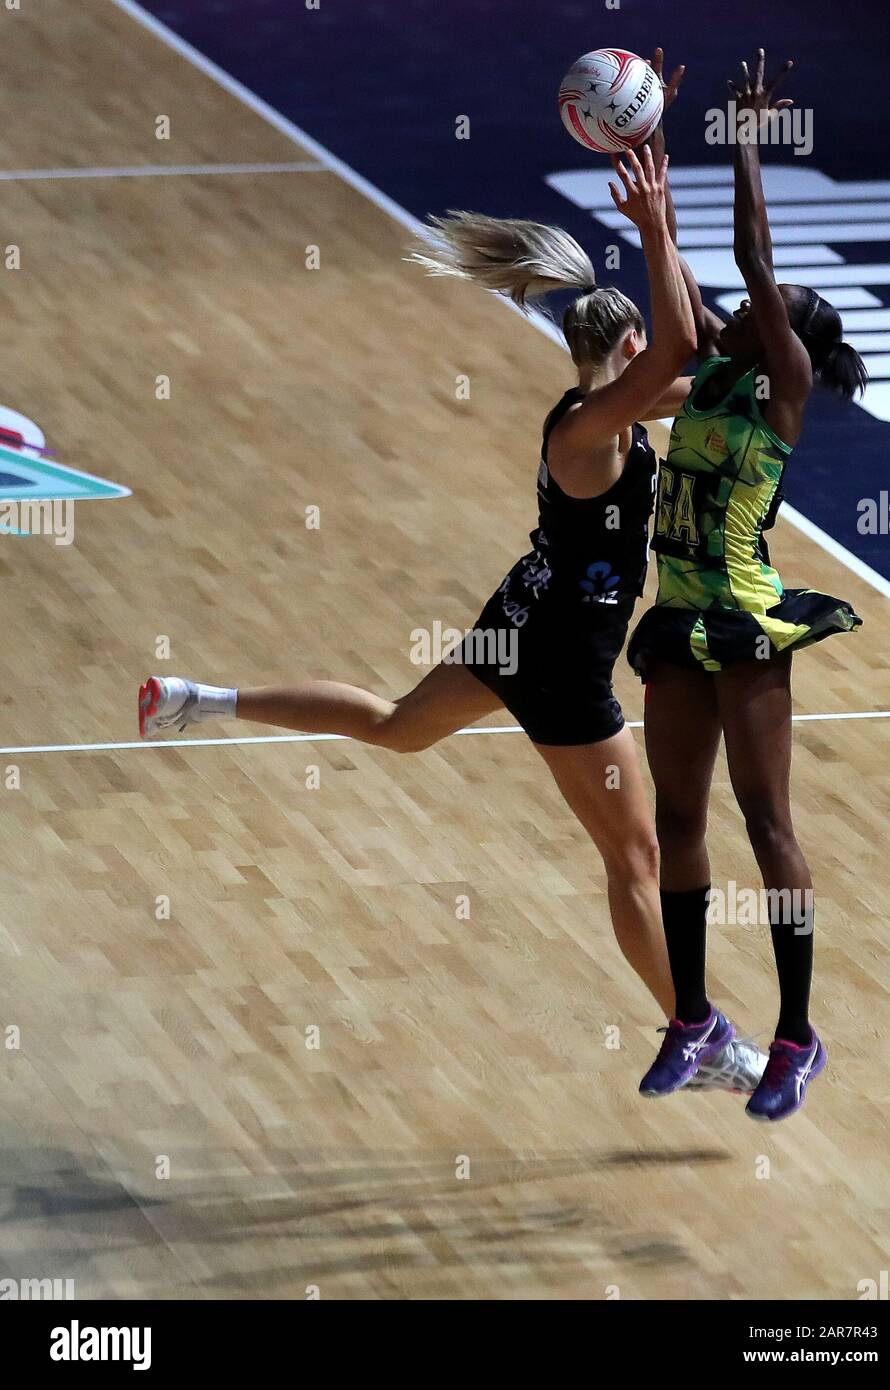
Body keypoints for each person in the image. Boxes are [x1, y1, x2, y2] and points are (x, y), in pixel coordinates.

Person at [137, 145, 763, 1094]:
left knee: (397, 727)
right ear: (627, 351)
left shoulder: (610, 410)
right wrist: (654, 224)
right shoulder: (588, 431)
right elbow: (689, 358)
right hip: (560, 667)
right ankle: (699, 1029)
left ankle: (200, 699)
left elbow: (706, 368)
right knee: (635, 853)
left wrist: (672, 243)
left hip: (517, 623)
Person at [630, 51, 866, 1120]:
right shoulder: (719, 366)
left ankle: (797, 1034)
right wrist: (649, 157)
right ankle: (690, 1017)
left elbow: (748, 259)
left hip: (743, 616)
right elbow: (678, 265)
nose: (754, 306)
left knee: (765, 822)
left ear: (792, 345)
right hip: (678, 615)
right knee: (677, 818)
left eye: (776, 309)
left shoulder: (783, 391)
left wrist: (743, 135)